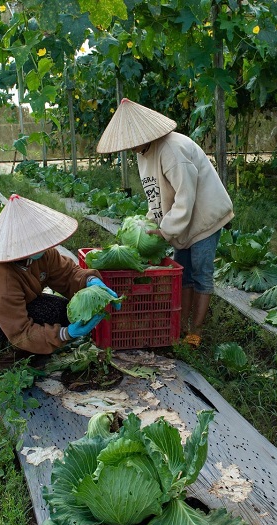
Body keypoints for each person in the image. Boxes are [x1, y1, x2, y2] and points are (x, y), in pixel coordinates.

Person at [96, 98, 233, 348]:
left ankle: (196, 331)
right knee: (183, 275)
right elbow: (156, 195)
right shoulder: (143, 152)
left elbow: (186, 196)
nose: (130, 148)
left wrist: (165, 231)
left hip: (204, 218)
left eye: (131, 142)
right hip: (183, 221)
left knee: (201, 273)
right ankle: (180, 327)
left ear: (144, 134)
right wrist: (151, 226)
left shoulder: (172, 149)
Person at [0, 193, 118, 369]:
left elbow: (67, 273)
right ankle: (7, 361)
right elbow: (20, 331)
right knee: (52, 317)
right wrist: (64, 334)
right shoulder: (0, 278)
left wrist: (90, 281)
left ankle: (32, 349)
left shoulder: (42, 255)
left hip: (2, 314)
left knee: (62, 312)